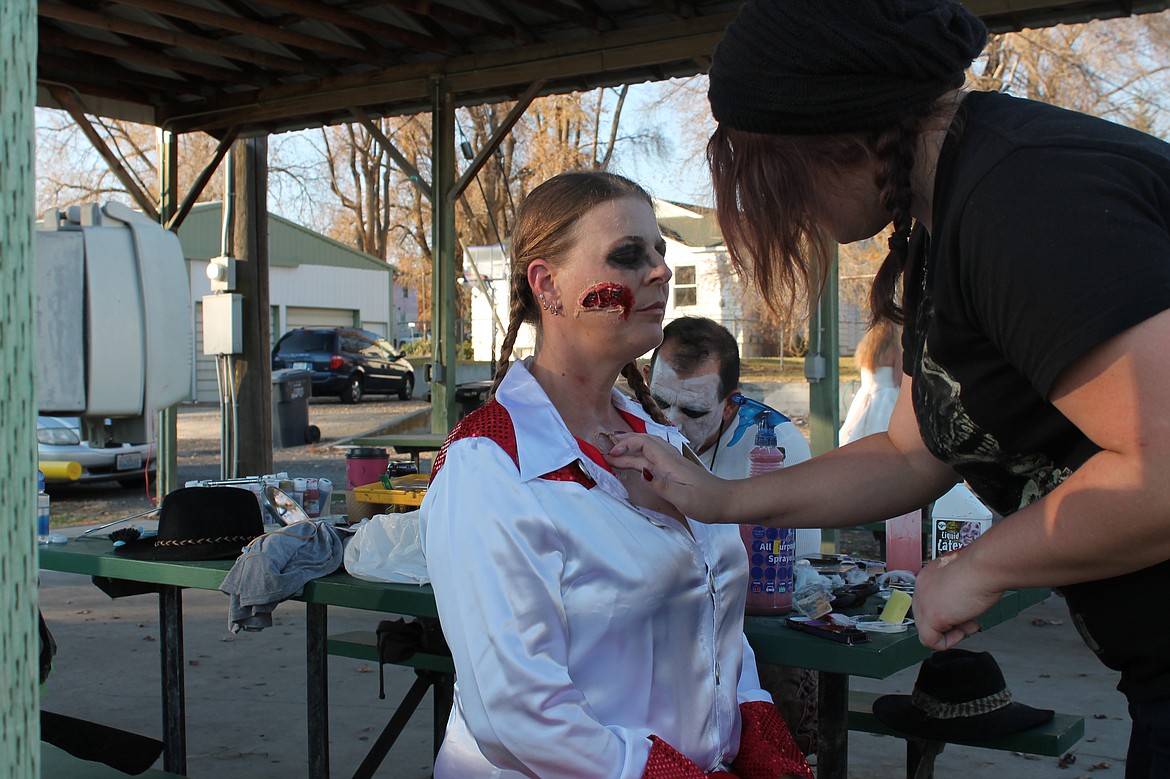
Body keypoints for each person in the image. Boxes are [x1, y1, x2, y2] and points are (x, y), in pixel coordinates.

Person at [604, 1, 1170, 775]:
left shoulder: (1025, 201)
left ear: (836, 133)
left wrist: (982, 564)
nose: (785, 209)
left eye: (770, 173)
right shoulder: (951, 213)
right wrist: (719, 498)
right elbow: (910, 452)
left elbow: (1162, 468)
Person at [418, 171, 812, 779]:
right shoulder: (490, 467)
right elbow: (517, 713)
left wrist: (753, 724)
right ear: (546, 284)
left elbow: (716, 620)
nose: (659, 271)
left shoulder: (664, 443)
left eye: (659, 253)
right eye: (629, 256)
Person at [646, 316, 819, 759]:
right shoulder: (632, 425)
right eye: (659, 402)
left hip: (752, 625)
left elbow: (797, 570)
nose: (671, 424)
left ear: (729, 406)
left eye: (694, 412)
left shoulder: (775, 446)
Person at [839, 320, 902, 446]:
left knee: (856, 432)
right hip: (888, 396)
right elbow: (899, 379)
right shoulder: (894, 351)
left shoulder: (865, 350)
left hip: (864, 395)